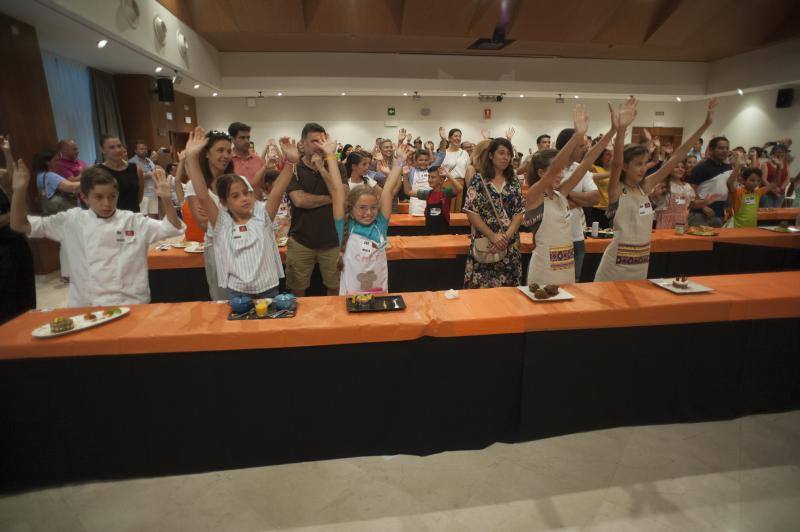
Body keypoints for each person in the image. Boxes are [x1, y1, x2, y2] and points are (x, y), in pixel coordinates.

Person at [10, 162, 184, 307]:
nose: (107, 203)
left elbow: (172, 228)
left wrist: (167, 199)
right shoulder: (71, 221)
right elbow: (19, 224)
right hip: (87, 306)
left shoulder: (132, 221)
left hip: (132, 303)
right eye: (98, 197)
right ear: (85, 198)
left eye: (112, 196)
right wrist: (19, 190)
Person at [596, 97, 716, 282]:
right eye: (638, 164)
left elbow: (677, 155)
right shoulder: (617, 189)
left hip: (641, 262)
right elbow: (617, 162)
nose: (643, 168)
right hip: (615, 264)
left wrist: (705, 124)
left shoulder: (646, 186)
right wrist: (621, 130)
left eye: (645, 163)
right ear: (626, 167)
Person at [184, 128, 296, 299]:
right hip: (238, 290)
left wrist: (290, 163)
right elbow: (204, 196)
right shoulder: (222, 221)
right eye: (235, 196)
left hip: (267, 285)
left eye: (246, 192)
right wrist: (191, 158)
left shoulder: (261, 215)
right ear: (223, 202)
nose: (244, 198)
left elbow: (277, 191)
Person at [525, 105, 616, 287]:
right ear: (542, 173)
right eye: (555, 171)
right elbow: (557, 166)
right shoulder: (534, 195)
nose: (560, 174)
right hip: (544, 267)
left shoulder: (562, 193)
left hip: (566, 265)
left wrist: (613, 130)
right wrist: (576, 136)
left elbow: (588, 160)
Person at [334, 143, 412, 296]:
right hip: (350, 296)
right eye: (362, 208)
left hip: (378, 293)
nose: (368, 213)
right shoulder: (345, 226)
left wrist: (400, 161)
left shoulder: (380, 224)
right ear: (351, 207)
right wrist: (331, 157)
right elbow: (337, 190)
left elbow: (388, 190)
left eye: (373, 208)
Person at [285, 122, 347, 296]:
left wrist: (321, 168)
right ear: (302, 144)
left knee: (335, 288)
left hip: (333, 240)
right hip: (301, 240)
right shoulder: (294, 168)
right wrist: (333, 198)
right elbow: (299, 200)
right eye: (314, 141)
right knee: (297, 289)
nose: (319, 145)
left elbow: (344, 196)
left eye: (322, 140)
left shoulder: (337, 166)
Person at [463, 137, 525, 289]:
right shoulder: (479, 180)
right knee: (482, 292)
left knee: (509, 292)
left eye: (509, 154)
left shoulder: (514, 180)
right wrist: (492, 236)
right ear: (491, 155)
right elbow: (471, 211)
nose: (505, 157)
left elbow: (519, 211)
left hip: (509, 243)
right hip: (485, 241)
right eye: (501, 153)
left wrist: (506, 237)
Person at [184, 130, 235, 300]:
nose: (226, 155)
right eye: (220, 150)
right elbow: (203, 224)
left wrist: (215, 215)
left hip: (241, 244)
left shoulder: (236, 181)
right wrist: (230, 215)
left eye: (228, 151)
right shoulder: (194, 185)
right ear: (206, 153)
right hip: (216, 247)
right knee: (222, 300)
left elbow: (247, 216)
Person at [553, 127, 601, 282]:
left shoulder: (580, 170)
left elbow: (595, 198)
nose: (585, 149)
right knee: (550, 284)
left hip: (576, 237)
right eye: (581, 146)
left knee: (574, 284)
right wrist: (577, 200)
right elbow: (548, 200)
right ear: (569, 146)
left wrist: (567, 193)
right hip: (552, 238)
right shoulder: (550, 168)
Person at [0, 135, 36, 323]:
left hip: (16, 243)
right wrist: (12, 216)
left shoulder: (1, 175)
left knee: (26, 299)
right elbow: (18, 211)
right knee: (6, 304)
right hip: (2, 248)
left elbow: (12, 182)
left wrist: (7, 153)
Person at [653, 160, 716, 229]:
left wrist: (704, 202)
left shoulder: (687, 187)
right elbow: (652, 201)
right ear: (668, 169)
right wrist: (654, 195)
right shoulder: (662, 185)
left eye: (682, 167)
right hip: (664, 222)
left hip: (681, 222)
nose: (680, 169)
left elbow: (692, 204)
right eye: (676, 167)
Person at [404, 163, 463, 235]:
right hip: (429, 235)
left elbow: (459, 188)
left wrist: (448, 175)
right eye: (428, 177)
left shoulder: (446, 193)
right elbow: (408, 191)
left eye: (433, 177)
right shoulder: (427, 194)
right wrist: (405, 175)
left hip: (444, 235)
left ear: (441, 180)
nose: (429, 180)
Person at [688, 136, 731, 227]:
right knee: (699, 240)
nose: (725, 151)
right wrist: (703, 206)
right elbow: (691, 189)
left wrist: (728, 207)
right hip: (700, 214)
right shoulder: (701, 167)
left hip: (719, 213)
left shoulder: (728, 167)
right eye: (721, 148)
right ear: (711, 150)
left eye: (727, 148)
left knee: (715, 241)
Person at [98, 135, 143, 213]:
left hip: (133, 216)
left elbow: (139, 197)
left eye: (119, 146)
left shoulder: (136, 168)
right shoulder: (99, 171)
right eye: (112, 147)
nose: (118, 150)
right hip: (110, 218)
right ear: (102, 150)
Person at [34, 149, 81, 214]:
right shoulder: (50, 176)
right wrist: (89, 180)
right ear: (47, 162)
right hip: (60, 213)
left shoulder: (40, 175)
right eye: (56, 160)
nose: (59, 163)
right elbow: (72, 187)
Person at [129, 140, 158, 218]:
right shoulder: (132, 162)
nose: (144, 151)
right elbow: (132, 179)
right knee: (143, 218)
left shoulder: (149, 160)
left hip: (153, 193)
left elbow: (154, 172)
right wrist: (147, 175)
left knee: (153, 218)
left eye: (145, 149)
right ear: (135, 151)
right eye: (141, 149)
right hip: (142, 195)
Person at [587, 148, 612, 229]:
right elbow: (587, 158)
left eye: (613, 155)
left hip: (612, 210)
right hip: (597, 210)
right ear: (601, 156)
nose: (611, 157)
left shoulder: (619, 170)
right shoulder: (595, 168)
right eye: (608, 154)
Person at [405, 149, 432, 216]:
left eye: (426, 160)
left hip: (430, 203)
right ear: (416, 161)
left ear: (429, 161)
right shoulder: (411, 170)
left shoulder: (432, 171)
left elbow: (441, 157)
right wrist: (408, 154)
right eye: (420, 160)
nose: (423, 162)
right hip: (415, 204)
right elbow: (400, 164)